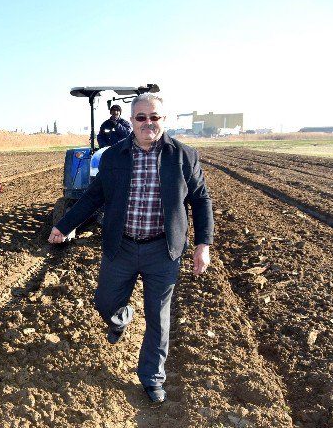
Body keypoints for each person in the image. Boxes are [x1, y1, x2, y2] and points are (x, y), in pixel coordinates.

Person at [48, 93, 213, 405]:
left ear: (164, 120)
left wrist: (203, 243)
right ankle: (120, 315)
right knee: (104, 302)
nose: (148, 123)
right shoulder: (113, 156)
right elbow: (94, 196)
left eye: (155, 117)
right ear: (132, 121)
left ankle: (152, 377)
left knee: (158, 317)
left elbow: (201, 199)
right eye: (141, 118)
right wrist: (65, 224)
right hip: (121, 246)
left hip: (163, 250)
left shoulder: (184, 156)